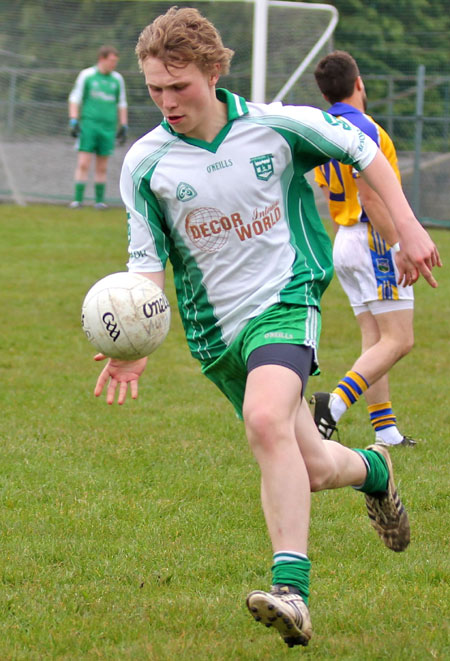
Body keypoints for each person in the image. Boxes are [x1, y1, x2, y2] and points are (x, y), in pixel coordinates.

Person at [92, 8, 440, 649]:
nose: (168, 102)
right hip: (214, 335)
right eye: (155, 90)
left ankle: (292, 593)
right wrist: (131, 343)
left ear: (213, 73)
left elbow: (363, 149)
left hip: (285, 301)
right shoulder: (145, 163)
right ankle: (376, 470)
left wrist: (411, 226)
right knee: (310, 467)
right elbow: (147, 266)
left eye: (180, 87)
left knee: (264, 420)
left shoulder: (277, 126)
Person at [311, 51, 417, 448]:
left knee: (375, 339)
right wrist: (400, 244)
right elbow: (372, 198)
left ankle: (385, 431)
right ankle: (332, 406)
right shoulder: (366, 129)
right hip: (373, 236)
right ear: (359, 83)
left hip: (345, 236)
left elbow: (328, 187)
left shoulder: (323, 129)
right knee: (399, 340)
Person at [68, 45, 128, 209]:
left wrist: (123, 125)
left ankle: (99, 202)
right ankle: (78, 200)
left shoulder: (117, 79)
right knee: (83, 163)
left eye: (116, 61)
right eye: (111, 61)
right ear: (102, 59)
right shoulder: (87, 75)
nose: (114, 64)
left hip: (107, 128)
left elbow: (121, 102)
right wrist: (73, 119)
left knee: (102, 166)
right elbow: (75, 98)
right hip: (89, 126)